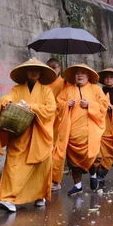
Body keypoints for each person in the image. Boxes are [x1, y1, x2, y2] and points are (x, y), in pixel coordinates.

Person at [0, 57, 57, 212]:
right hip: (20, 134)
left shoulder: (46, 91)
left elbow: (51, 109)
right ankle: (8, 198)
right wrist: (4, 102)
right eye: (30, 70)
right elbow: (8, 98)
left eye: (36, 70)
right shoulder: (17, 89)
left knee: (40, 166)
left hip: (40, 134)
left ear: (40, 73)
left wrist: (32, 107)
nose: (33, 72)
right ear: (26, 73)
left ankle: (40, 195)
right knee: (14, 165)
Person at [53, 64, 109, 196]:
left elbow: (104, 105)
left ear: (88, 76)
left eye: (83, 73)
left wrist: (90, 104)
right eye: (77, 73)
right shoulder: (67, 90)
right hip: (72, 132)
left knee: (92, 156)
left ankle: (93, 174)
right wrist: (66, 105)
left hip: (90, 131)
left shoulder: (96, 89)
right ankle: (77, 185)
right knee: (73, 161)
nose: (80, 75)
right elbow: (57, 104)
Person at [46, 57, 67, 191]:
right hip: (46, 120)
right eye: (50, 68)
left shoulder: (65, 83)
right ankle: (45, 179)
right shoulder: (43, 84)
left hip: (60, 120)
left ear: (60, 68)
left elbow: (67, 98)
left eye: (55, 67)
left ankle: (55, 180)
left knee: (58, 152)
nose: (53, 70)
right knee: (45, 151)